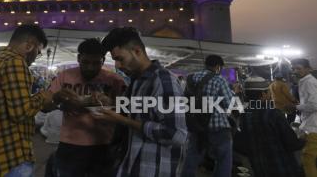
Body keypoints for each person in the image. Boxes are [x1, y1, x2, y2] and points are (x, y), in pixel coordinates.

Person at [95, 27, 187, 177]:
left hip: (151, 169)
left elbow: (176, 135)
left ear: (137, 51)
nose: (117, 66)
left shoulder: (163, 80)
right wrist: (111, 102)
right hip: (132, 166)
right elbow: (139, 112)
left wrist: (123, 120)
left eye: (120, 59)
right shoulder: (137, 80)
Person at [0, 24, 56, 176]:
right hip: (9, 158)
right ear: (29, 45)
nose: (37, 56)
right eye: (38, 51)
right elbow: (21, 112)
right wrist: (44, 96)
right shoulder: (15, 62)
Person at [48, 38, 126, 177]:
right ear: (78, 58)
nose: (90, 67)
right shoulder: (65, 76)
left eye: (96, 63)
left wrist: (109, 103)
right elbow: (45, 106)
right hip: (70, 143)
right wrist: (57, 97)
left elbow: (126, 111)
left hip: (103, 144)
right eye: (86, 62)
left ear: (103, 60)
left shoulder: (114, 80)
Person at [181, 55, 237, 177]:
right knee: (223, 159)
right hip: (217, 126)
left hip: (196, 126)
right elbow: (230, 104)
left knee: (192, 157)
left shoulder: (190, 78)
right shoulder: (219, 80)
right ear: (218, 66)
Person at [234, 86, 304, 177]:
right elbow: (291, 143)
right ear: (263, 94)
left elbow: (243, 145)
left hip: (259, 169)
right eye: (268, 92)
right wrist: (303, 140)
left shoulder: (244, 116)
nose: (270, 94)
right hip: (281, 167)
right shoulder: (273, 114)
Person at [290, 58, 317, 177]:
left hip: (313, 127)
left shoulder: (309, 82)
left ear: (308, 68)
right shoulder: (303, 81)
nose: (296, 71)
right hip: (308, 125)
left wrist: (296, 107)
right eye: (294, 68)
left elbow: (314, 105)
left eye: (299, 68)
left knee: (308, 159)